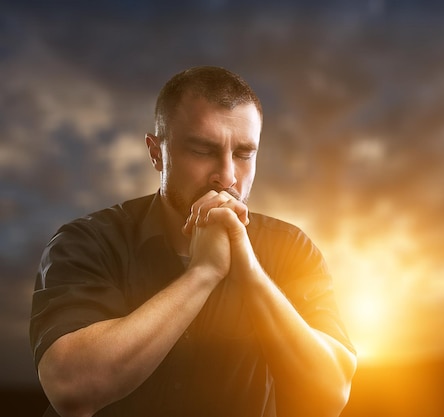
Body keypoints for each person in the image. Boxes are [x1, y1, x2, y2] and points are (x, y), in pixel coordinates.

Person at [29, 66, 357, 417]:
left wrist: (249, 271)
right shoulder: (87, 241)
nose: (227, 176)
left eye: (244, 154)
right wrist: (203, 273)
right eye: (202, 150)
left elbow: (330, 394)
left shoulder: (291, 248)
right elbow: (71, 389)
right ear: (156, 153)